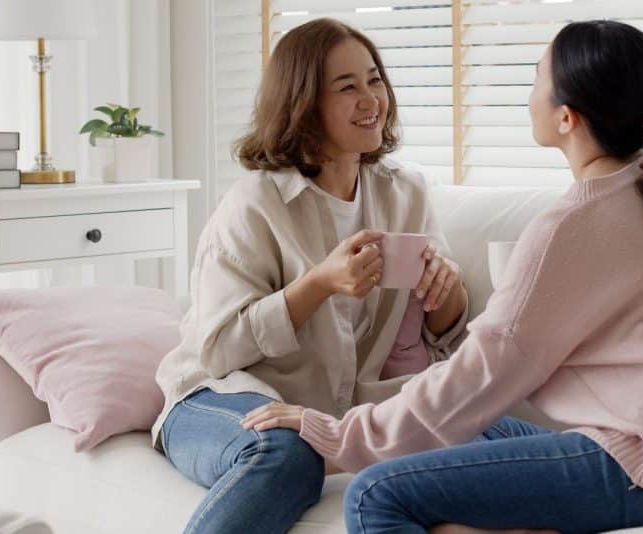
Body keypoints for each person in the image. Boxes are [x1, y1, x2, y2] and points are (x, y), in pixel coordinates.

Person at [244, 20, 643, 533]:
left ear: (566, 117)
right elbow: (473, 399)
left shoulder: (575, 225)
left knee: (375, 494)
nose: (528, 94)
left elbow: (483, 371)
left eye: (536, 79)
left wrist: (339, 436)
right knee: (470, 429)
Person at [151, 18, 469, 534]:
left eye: (375, 80)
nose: (371, 99)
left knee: (471, 429)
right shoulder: (255, 203)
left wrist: (445, 288)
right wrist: (318, 284)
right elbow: (217, 350)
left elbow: (446, 333)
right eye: (347, 87)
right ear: (303, 104)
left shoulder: (405, 193)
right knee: (288, 453)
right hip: (218, 397)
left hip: (321, 415)